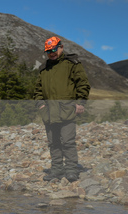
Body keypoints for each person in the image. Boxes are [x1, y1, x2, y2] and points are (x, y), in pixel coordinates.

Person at [34, 36, 90, 182]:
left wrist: (80, 103)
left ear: (61, 47)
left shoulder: (72, 64)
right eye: (48, 51)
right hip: (49, 113)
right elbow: (38, 90)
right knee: (53, 143)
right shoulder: (44, 68)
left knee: (68, 142)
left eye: (53, 49)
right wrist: (40, 104)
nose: (51, 53)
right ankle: (56, 170)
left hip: (67, 110)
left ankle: (71, 170)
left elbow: (83, 84)